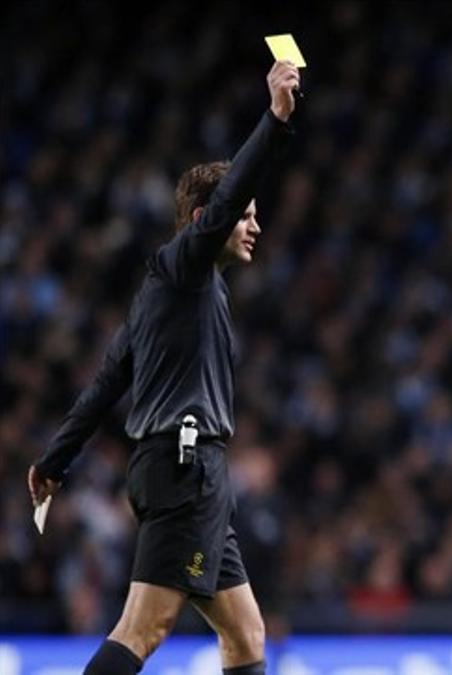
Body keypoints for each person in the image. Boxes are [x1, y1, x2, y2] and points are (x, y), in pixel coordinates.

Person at [26, 60, 300, 675]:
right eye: (245, 215)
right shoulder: (184, 267)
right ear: (207, 219)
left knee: (247, 637)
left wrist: (53, 461)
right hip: (186, 466)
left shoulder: (167, 295)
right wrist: (276, 122)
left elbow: (105, 383)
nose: (254, 224)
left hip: (182, 471)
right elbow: (228, 198)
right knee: (143, 630)